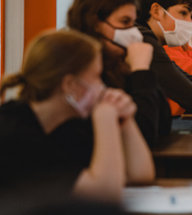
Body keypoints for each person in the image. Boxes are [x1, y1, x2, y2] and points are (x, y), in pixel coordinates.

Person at [0, 30, 154, 202]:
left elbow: (140, 175)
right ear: (70, 85)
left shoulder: (67, 127)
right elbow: (104, 196)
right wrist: (105, 118)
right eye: (96, 76)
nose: (102, 86)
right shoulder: (14, 132)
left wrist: (126, 121)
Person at [67, 0, 171, 145]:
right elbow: (143, 134)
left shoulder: (120, 64)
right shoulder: (81, 71)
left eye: (133, 23)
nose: (133, 32)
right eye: (124, 22)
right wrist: (141, 71)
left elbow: (163, 123)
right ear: (95, 24)